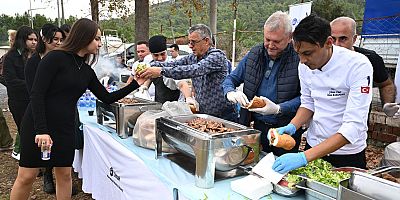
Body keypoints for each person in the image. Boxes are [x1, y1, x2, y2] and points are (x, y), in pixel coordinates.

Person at [10, 18, 145, 200]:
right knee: (27, 176)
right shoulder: (55, 58)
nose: (99, 44)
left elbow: (106, 98)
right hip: (38, 123)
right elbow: (37, 94)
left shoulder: (86, 70)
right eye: (96, 39)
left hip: (65, 127)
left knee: (65, 175)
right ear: (84, 37)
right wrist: (42, 130)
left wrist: (135, 84)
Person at [271, 15, 373, 174]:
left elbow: (353, 126)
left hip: (346, 152)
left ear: (328, 43)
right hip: (314, 145)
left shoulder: (358, 65)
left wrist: (303, 157)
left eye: (308, 53)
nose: (303, 60)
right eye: (298, 53)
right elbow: (308, 103)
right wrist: (293, 125)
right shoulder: (304, 65)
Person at [222, 11, 302, 155]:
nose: (270, 45)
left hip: (285, 129)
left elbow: (306, 99)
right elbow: (231, 79)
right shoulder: (254, 54)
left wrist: (279, 108)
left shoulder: (299, 59)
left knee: (282, 171)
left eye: (276, 41)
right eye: (267, 39)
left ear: (290, 37)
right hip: (257, 126)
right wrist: (229, 91)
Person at [139, 24, 236, 121]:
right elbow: (174, 64)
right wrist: (149, 67)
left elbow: (194, 70)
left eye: (193, 42)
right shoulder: (193, 57)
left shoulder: (217, 56)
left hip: (224, 115)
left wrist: (161, 71)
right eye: (189, 42)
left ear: (206, 41)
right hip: (204, 113)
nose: (190, 46)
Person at [24, 24, 65, 195]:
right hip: (39, 113)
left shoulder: (60, 58)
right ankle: (47, 176)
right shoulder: (34, 62)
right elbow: (34, 94)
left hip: (57, 113)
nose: (58, 43)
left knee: (59, 157)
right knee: (28, 172)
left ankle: (54, 177)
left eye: (61, 40)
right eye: (55, 39)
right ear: (45, 39)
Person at [330, 17, 397, 116]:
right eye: (333, 39)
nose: (337, 44)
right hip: (327, 121)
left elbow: (386, 84)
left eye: (343, 39)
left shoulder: (369, 58)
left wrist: (387, 103)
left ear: (354, 39)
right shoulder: (321, 58)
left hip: (358, 121)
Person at [3, 26, 38, 160]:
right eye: (31, 39)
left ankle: (34, 160)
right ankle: (27, 160)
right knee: (25, 131)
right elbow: (11, 81)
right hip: (19, 102)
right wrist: (33, 84)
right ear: (23, 40)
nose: (34, 42)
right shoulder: (11, 57)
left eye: (36, 39)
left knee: (34, 131)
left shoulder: (35, 56)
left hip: (33, 99)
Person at [140, 35, 192, 103]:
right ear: (151, 54)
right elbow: (150, 77)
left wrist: (188, 98)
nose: (160, 58)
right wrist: (145, 86)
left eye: (162, 54)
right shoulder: (152, 64)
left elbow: (182, 84)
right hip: (158, 105)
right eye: (156, 55)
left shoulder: (172, 65)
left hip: (173, 107)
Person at [0, 30, 16, 152]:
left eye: (12, 40)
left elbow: (9, 78)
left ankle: (7, 143)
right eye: (10, 40)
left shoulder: (12, 56)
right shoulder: (7, 56)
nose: (10, 42)